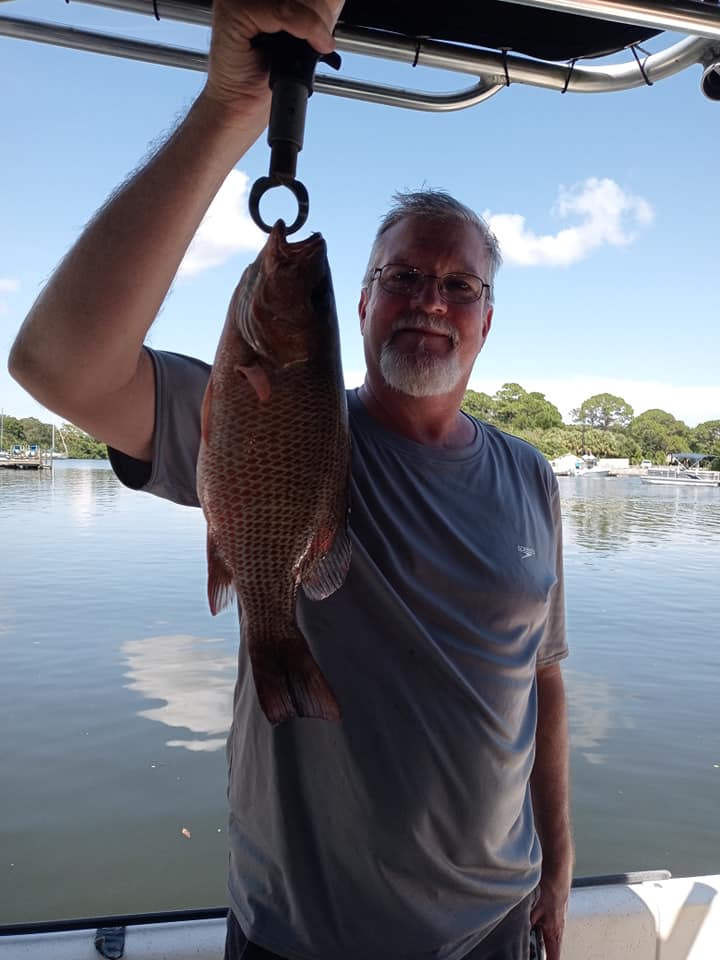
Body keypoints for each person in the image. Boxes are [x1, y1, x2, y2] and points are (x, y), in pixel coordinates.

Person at [8, 2, 573, 958]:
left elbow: (544, 676)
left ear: (488, 319)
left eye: (458, 285)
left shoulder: (531, 477)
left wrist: (559, 861)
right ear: (360, 305)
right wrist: (227, 112)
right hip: (304, 937)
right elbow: (58, 364)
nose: (429, 301)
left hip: (496, 925)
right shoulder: (273, 412)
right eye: (401, 276)